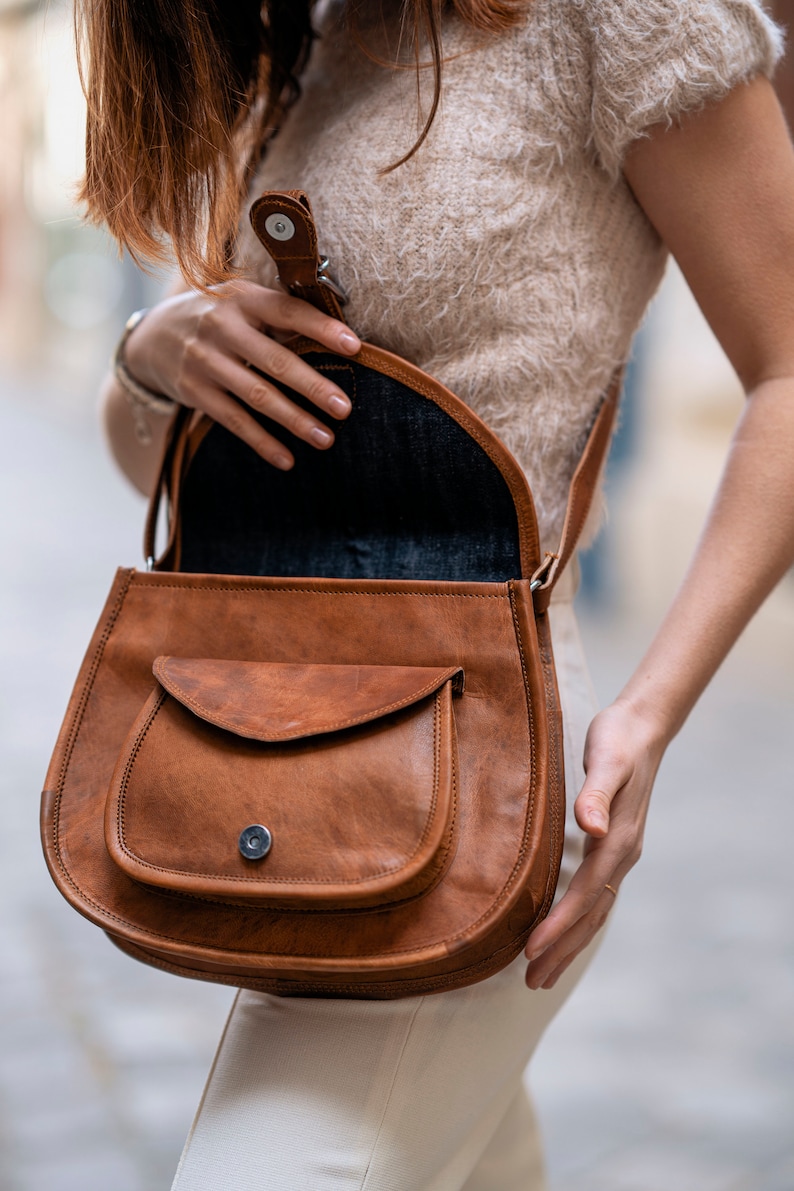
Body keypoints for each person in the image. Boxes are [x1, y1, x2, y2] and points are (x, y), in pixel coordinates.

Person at [79, 0, 794, 1186]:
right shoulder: (296, 43)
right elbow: (158, 463)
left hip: (485, 767)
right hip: (272, 754)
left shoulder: (616, 17)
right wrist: (152, 350)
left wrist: (650, 713)